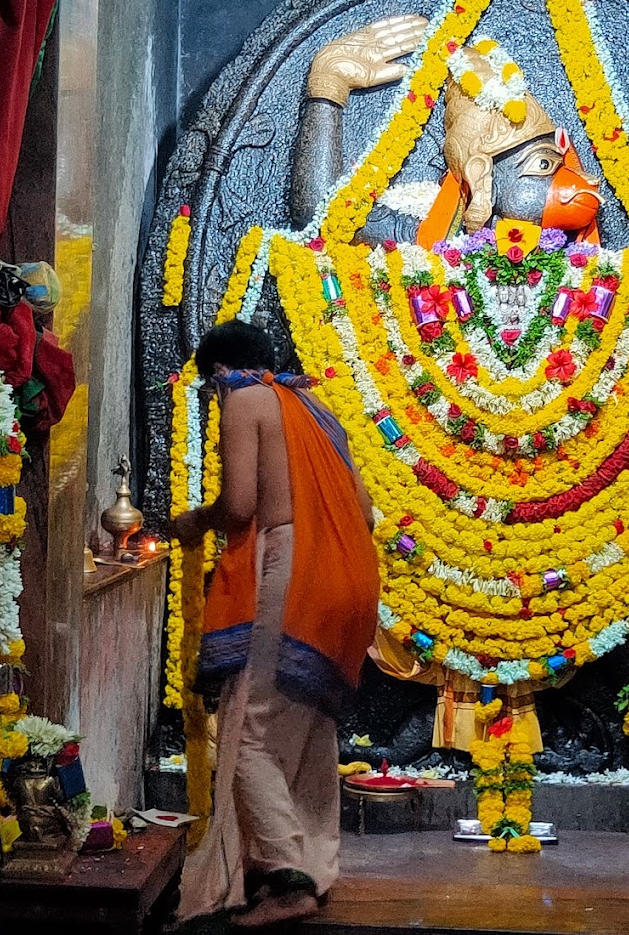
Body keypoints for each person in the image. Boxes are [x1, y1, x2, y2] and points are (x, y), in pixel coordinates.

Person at [172, 321, 378, 931]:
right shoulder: (316, 406)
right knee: (311, 728)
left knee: (251, 732)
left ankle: (287, 879)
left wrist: (194, 521)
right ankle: (313, 864)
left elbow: (239, 506)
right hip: (352, 573)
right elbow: (364, 510)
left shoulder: (245, 397)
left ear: (219, 372)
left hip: (296, 570)